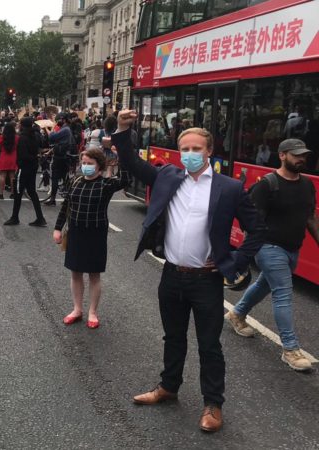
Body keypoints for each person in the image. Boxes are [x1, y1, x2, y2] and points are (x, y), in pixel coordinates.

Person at [114, 110, 264, 433]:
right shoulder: (168, 176)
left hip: (206, 280)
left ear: (209, 151)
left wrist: (235, 262)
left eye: (197, 149)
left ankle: (213, 404)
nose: (191, 155)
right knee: (173, 336)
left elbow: (258, 231)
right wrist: (123, 130)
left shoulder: (229, 188)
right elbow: (131, 163)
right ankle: (168, 387)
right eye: (185, 149)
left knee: (209, 344)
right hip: (171, 276)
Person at [226, 139, 318, 371]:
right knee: (283, 294)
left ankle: (237, 314)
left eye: (304, 155)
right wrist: (249, 252)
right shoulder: (267, 184)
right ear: (282, 155)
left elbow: (309, 218)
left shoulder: (307, 185)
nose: (301, 159)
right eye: (296, 155)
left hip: (292, 248)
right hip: (269, 247)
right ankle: (290, 349)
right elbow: (251, 222)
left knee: (265, 285)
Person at [53, 147, 129, 328]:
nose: (86, 166)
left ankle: (92, 312)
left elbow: (126, 180)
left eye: (90, 163)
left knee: (94, 275)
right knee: (75, 272)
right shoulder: (75, 181)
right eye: (83, 163)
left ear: (99, 165)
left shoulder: (106, 184)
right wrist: (57, 228)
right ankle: (77, 309)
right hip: (75, 232)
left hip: (95, 233)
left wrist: (121, 155)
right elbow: (66, 206)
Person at [4, 118, 47, 227]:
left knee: (18, 192)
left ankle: (15, 217)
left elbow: (23, 155)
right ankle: (40, 217)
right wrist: (35, 157)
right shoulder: (35, 135)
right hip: (33, 167)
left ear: (22, 125)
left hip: (24, 168)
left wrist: (21, 162)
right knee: (32, 192)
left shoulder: (22, 138)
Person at [45, 114, 77, 206]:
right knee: (65, 178)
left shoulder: (65, 129)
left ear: (64, 120)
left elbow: (52, 138)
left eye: (59, 119)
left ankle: (53, 199)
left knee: (55, 177)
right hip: (65, 157)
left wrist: (50, 129)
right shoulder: (66, 129)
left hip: (61, 157)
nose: (57, 121)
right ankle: (66, 199)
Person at [0, 123, 18, 199]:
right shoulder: (16, 137)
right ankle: (12, 193)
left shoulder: (2, 137)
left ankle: (1, 193)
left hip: (4, 156)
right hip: (13, 157)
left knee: (2, 176)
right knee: (12, 176)